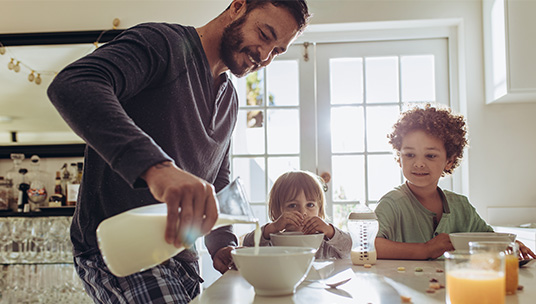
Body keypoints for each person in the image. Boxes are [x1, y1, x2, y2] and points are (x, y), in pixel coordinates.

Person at [47, 0, 311, 303]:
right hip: (123, 248)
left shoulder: (229, 101)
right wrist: (158, 169)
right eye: (264, 34)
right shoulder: (163, 44)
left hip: (182, 256)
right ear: (238, 7)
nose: (264, 56)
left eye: (277, 51)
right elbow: (74, 84)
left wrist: (222, 245)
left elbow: (217, 179)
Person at [374, 104, 536, 260]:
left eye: (430, 156)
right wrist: (425, 250)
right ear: (399, 159)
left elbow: (488, 239)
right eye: (410, 155)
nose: (419, 163)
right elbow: (370, 245)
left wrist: (508, 244)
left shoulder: (461, 206)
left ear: (449, 161)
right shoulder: (392, 203)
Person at [242, 170, 352, 259]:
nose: (303, 212)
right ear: (277, 212)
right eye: (292, 206)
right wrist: (272, 227)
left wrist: (330, 231)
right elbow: (247, 244)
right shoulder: (273, 239)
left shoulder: (325, 241)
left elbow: (351, 248)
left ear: (320, 210)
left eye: (310, 205)